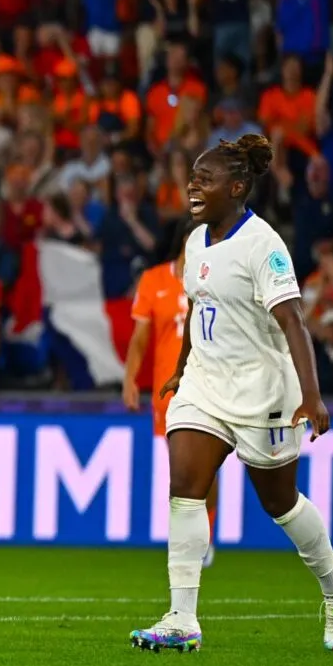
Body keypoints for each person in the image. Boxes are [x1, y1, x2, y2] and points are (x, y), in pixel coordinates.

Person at [131, 134, 333, 654]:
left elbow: (293, 321)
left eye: (204, 179)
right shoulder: (193, 242)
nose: (193, 185)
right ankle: (182, 617)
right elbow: (198, 307)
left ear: (236, 188)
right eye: (192, 177)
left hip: (263, 394)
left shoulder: (264, 245)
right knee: (185, 486)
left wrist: (312, 395)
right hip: (206, 385)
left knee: (280, 504)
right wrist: (182, 367)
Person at [123, 228, 217, 568]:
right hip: (167, 393)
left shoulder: (214, 281)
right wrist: (130, 378)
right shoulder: (153, 281)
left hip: (206, 386)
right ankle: (190, 537)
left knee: (206, 465)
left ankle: (204, 534)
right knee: (181, 470)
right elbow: (140, 338)